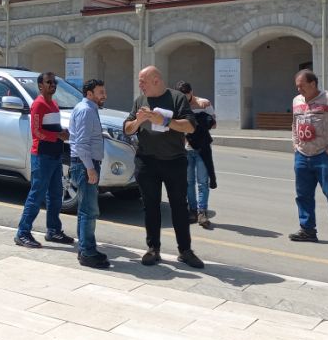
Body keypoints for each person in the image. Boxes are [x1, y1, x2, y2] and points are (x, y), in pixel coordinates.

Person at [124, 66, 204, 269]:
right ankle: (153, 249)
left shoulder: (177, 98)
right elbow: (127, 129)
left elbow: (190, 126)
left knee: (179, 207)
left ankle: (185, 251)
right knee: (150, 206)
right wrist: (138, 121)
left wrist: (165, 121)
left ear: (156, 80)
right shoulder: (140, 101)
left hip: (174, 161)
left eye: (143, 81)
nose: (140, 85)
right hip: (147, 162)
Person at [289, 69, 328, 246]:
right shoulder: (296, 101)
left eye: (302, 86)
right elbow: (294, 124)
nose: (299, 90)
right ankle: (307, 230)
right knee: (303, 195)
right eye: (297, 86)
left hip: (324, 156)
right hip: (302, 155)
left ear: (313, 84)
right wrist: (295, 144)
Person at [14, 71, 74, 248]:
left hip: (55, 155)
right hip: (42, 156)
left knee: (55, 195)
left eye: (54, 82)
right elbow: (36, 132)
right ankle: (22, 233)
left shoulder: (54, 104)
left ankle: (53, 230)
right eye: (49, 82)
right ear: (40, 86)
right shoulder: (38, 104)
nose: (52, 85)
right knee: (36, 195)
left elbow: (52, 127)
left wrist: (63, 132)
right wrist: (58, 135)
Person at [69, 78, 109, 268]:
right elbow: (81, 143)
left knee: (85, 209)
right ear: (89, 94)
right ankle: (87, 252)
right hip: (85, 164)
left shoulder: (88, 109)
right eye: (101, 92)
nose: (104, 95)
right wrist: (90, 168)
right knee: (89, 210)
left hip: (85, 163)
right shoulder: (86, 110)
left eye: (104, 92)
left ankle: (86, 248)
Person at [175, 81, 217, 229]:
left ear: (191, 92)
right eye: (181, 96)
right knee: (188, 182)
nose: (184, 99)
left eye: (186, 96)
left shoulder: (204, 103)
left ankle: (202, 212)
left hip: (201, 148)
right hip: (185, 149)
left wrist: (199, 120)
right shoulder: (177, 106)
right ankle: (192, 210)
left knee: (203, 181)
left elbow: (214, 123)